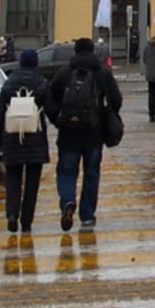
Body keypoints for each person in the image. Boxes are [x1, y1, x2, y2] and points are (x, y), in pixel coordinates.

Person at [48, 37, 122, 230]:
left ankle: (67, 202)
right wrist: (106, 115)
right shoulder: (103, 74)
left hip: (67, 134)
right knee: (91, 173)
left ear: (75, 52)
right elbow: (116, 100)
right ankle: (87, 215)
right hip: (94, 134)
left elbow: (50, 100)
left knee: (66, 171)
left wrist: (58, 119)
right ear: (92, 53)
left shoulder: (64, 73)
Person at [0, 48, 49, 232]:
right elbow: (50, 110)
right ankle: (26, 222)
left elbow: (0, 114)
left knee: (12, 178)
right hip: (35, 139)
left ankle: (11, 214)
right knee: (32, 183)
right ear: (35, 63)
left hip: (12, 136)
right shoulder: (42, 83)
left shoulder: (8, 84)